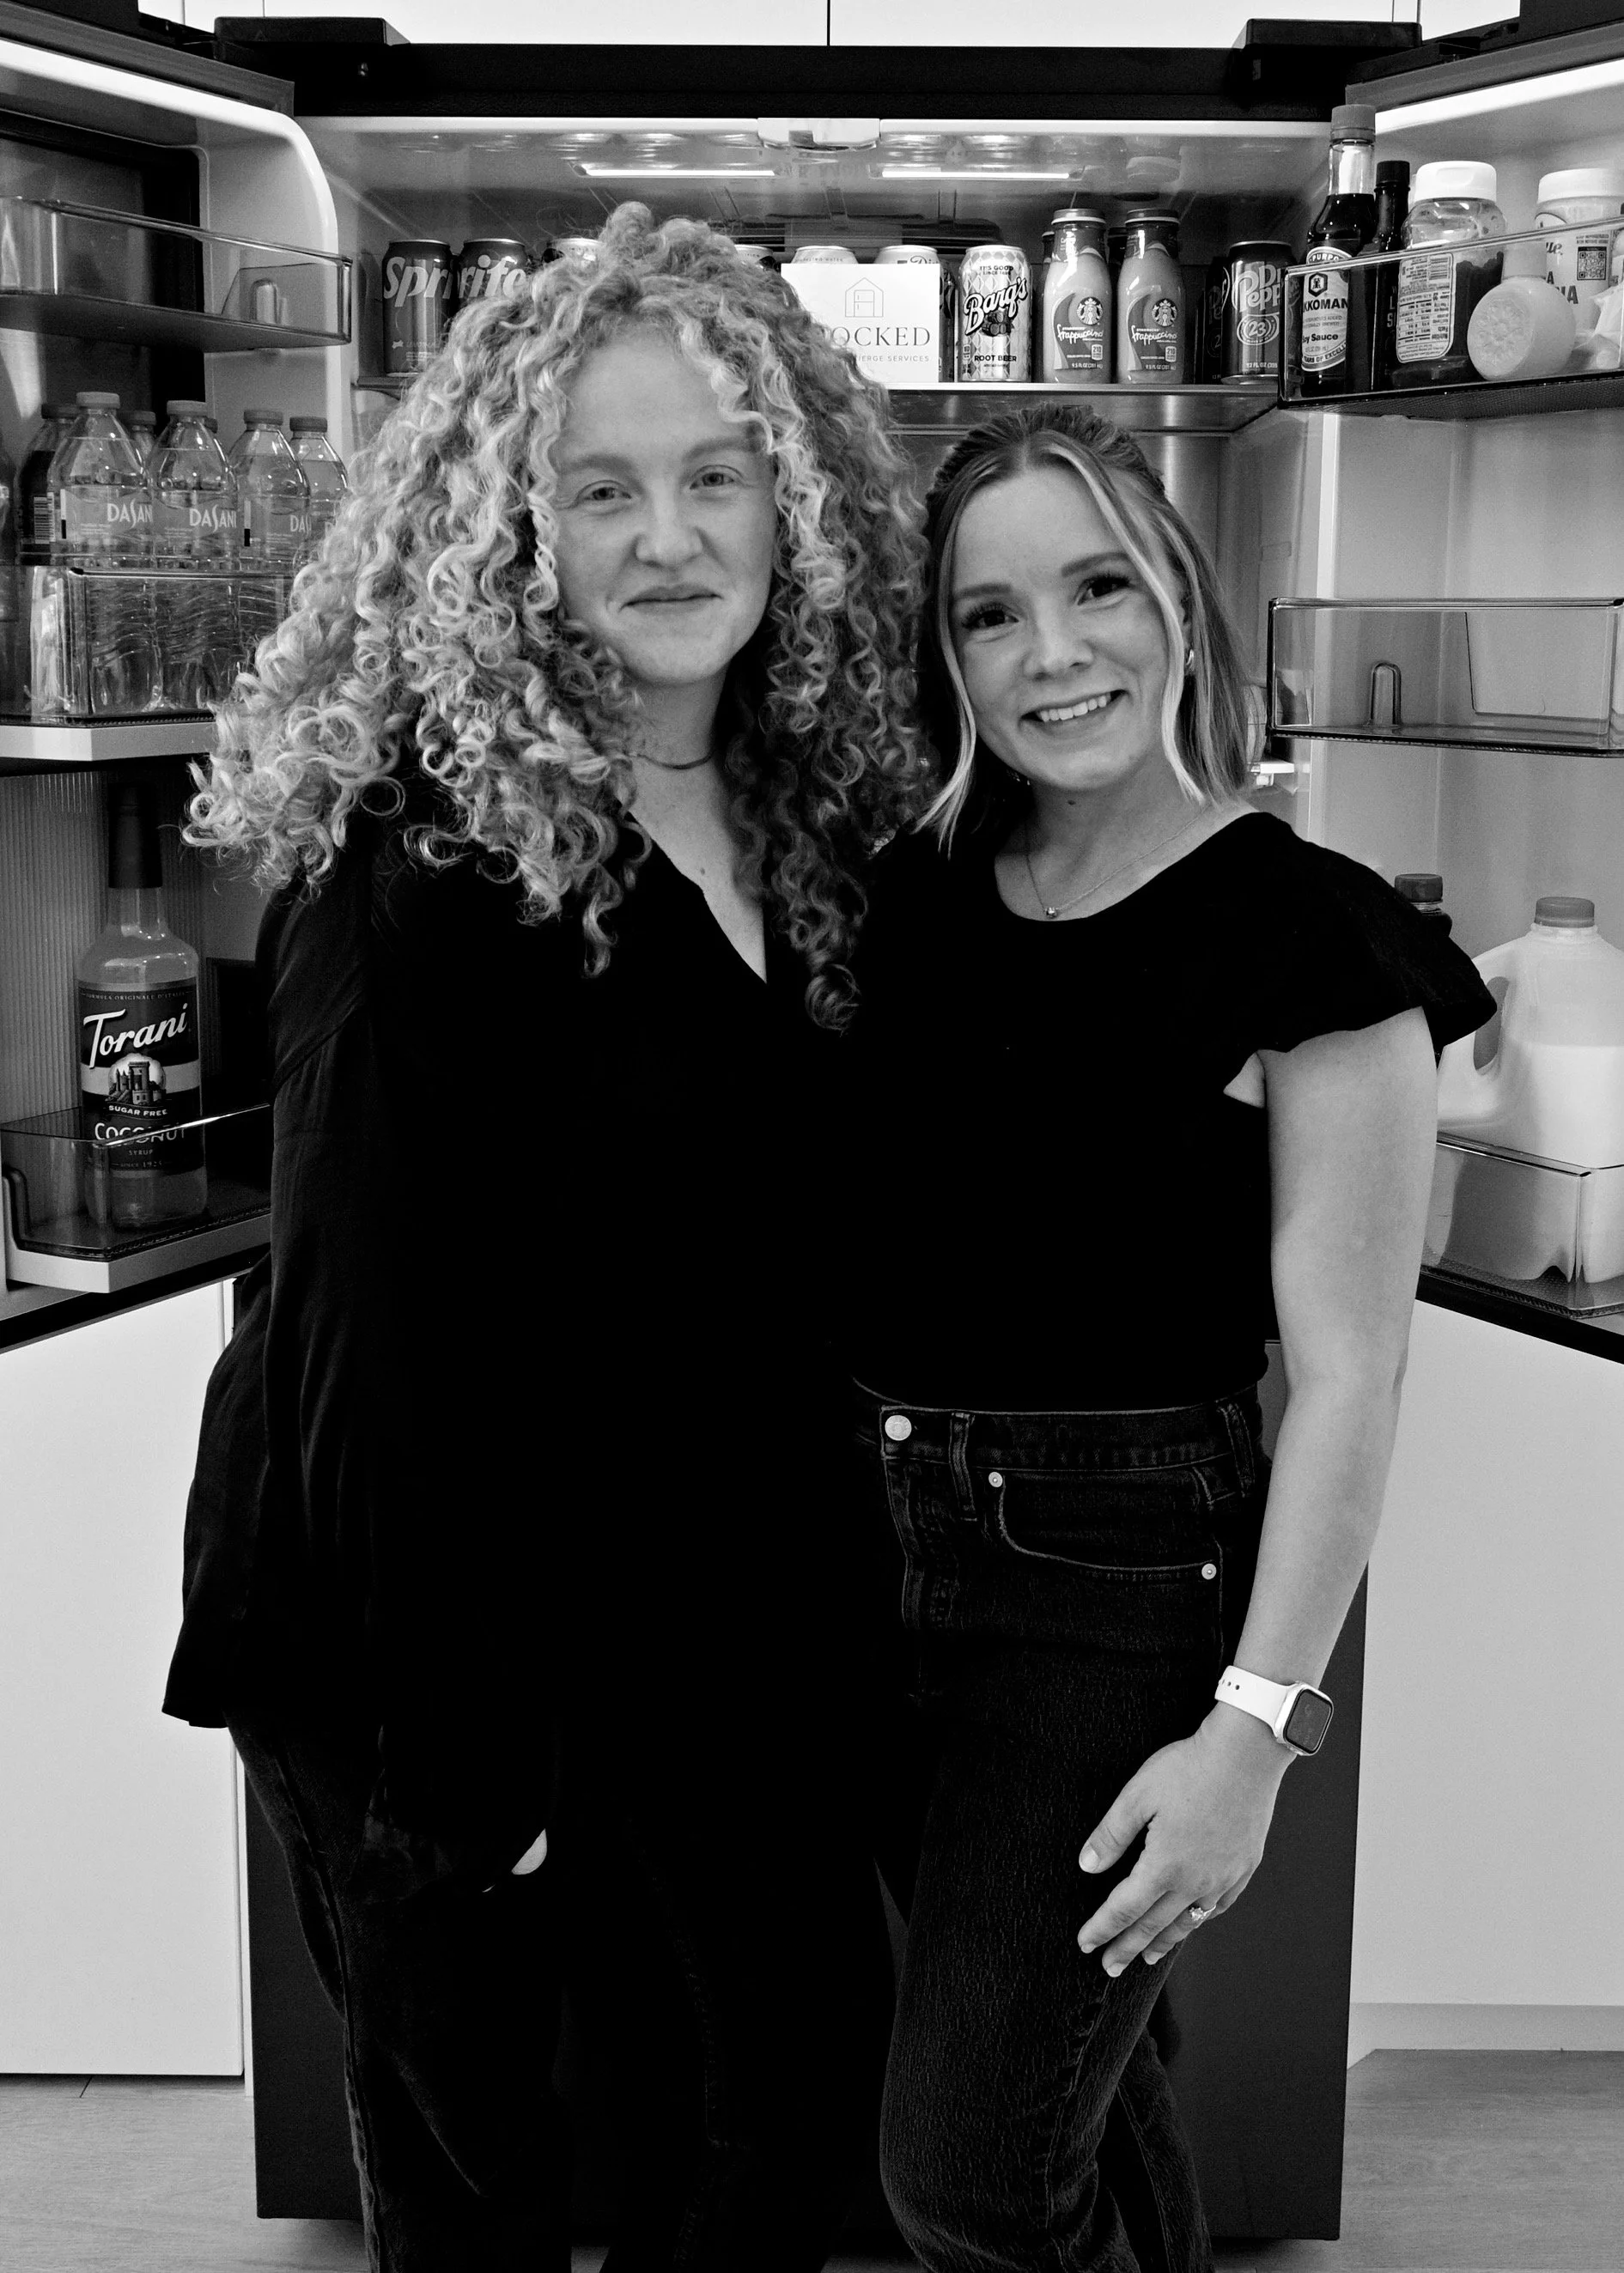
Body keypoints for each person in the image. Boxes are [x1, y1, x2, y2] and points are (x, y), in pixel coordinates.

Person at [162, 205, 930, 2272]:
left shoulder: (815, 819)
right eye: (599, 489)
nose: (667, 537)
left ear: (802, 508)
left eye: (714, 476)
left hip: (699, 1609)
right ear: (511, 531)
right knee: (487, 2173)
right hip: (425, 1636)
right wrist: (459, 1776)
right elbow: (354, 1331)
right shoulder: (418, 843)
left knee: (765, 2115)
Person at [842, 401, 1495, 2273]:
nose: (1054, 655)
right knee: (1082, 2093)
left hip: (1110, 1575)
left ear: (1180, 605)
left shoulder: (1311, 936)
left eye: (1099, 586)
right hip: (866, 1556)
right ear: (943, 655)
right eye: (990, 615)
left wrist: (1255, 1735)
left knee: (964, 2168)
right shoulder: (916, 892)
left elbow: (1354, 1374)